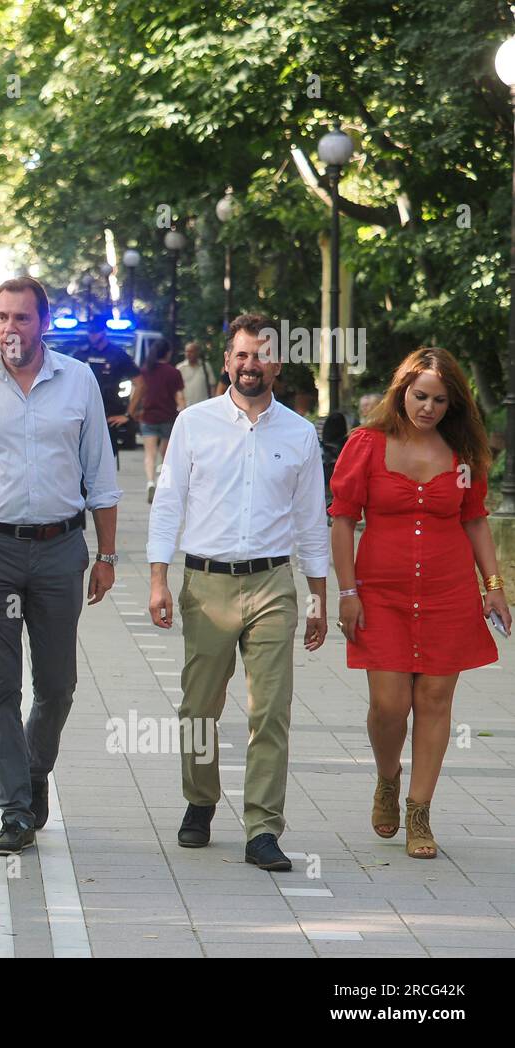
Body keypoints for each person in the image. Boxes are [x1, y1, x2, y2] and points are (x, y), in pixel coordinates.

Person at [0, 277, 120, 855]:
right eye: (2, 318)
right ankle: (14, 808)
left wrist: (107, 555)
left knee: (58, 685)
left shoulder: (78, 381)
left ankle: (35, 771)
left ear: (44, 322)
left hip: (62, 549)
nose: (11, 329)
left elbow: (102, 479)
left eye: (23, 319)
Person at [146, 313, 329, 873]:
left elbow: (310, 521)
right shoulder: (193, 423)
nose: (251, 366)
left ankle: (262, 827)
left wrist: (319, 595)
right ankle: (200, 802)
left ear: (277, 363)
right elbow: (169, 501)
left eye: (262, 356)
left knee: (270, 709)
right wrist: (157, 576)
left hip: (273, 582)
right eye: (242, 356)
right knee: (200, 706)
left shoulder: (299, 433)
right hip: (206, 583)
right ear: (227, 362)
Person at [329, 347, 511, 859]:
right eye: (420, 396)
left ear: (453, 405)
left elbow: (474, 520)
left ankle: (419, 812)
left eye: (439, 400)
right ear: (402, 392)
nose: (427, 407)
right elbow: (342, 520)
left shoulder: (464, 456)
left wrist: (493, 585)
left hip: (447, 594)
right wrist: (347, 592)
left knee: (434, 701)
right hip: (379, 595)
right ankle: (388, 778)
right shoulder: (366, 444)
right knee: (390, 706)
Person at [128, 338, 185, 503]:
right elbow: (179, 397)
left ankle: (150, 482)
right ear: (167, 353)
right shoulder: (174, 372)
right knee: (166, 455)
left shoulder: (145, 371)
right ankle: (162, 484)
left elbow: (136, 393)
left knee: (150, 453)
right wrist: (183, 411)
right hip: (168, 417)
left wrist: (133, 412)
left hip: (148, 416)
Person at [78, 315, 141, 461]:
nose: (92, 335)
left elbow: (140, 383)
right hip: (83, 414)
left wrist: (128, 415)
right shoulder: (82, 353)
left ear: (104, 332)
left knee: (104, 463)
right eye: (90, 332)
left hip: (109, 415)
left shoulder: (118, 354)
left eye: (96, 331)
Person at [176, 340, 215, 407]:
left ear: (197, 352)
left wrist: (213, 403)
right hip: (186, 408)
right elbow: (177, 390)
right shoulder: (180, 368)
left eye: (191, 351)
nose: (188, 354)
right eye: (186, 351)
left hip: (204, 406)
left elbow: (212, 385)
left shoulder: (205, 366)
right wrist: (181, 405)